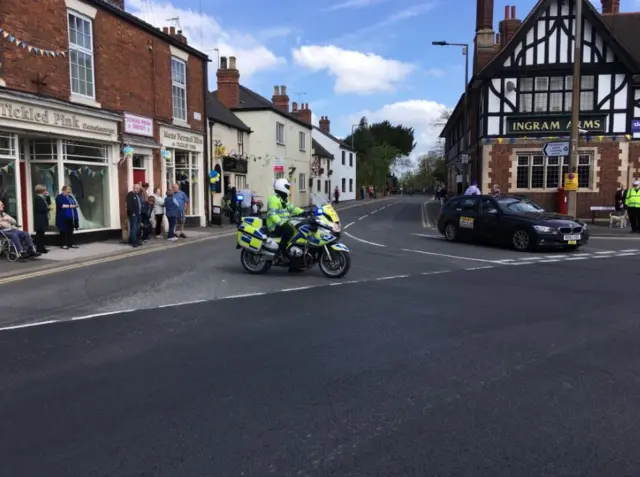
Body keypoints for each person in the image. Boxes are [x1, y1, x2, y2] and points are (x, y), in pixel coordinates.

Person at [266, 178, 304, 271]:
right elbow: (272, 214)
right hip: (275, 226)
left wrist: (304, 212)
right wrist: (282, 223)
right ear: (281, 187)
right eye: (287, 187)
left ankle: (294, 263)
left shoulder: (284, 199)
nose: (289, 189)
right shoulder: (273, 199)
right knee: (289, 231)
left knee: (299, 231)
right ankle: (280, 251)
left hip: (284, 223)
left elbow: (292, 208)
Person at [55, 185, 79, 249]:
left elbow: (75, 204)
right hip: (63, 216)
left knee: (70, 230)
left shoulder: (70, 197)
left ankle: (70, 243)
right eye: (67, 192)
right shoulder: (59, 197)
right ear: (63, 190)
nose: (68, 193)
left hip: (71, 216)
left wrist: (74, 205)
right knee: (63, 230)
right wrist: (71, 206)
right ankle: (63, 244)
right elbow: (62, 205)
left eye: (69, 192)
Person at [33, 184, 51, 254]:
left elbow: (48, 203)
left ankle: (42, 248)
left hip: (43, 218)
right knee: (39, 234)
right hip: (40, 219)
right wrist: (48, 209)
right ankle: (39, 249)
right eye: (44, 190)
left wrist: (48, 196)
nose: (45, 191)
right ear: (41, 190)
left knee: (42, 234)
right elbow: (40, 209)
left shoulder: (42, 197)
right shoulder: (38, 198)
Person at [126, 183, 143, 247]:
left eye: (139, 188)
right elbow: (129, 205)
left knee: (137, 228)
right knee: (134, 228)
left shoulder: (138, 195)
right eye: (137, 188)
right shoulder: (130, 194)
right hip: (133, 214)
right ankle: (134, 242)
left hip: (139, 214)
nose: (138, 190)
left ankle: (132, 239)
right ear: (133, 188)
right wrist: (132, 213)